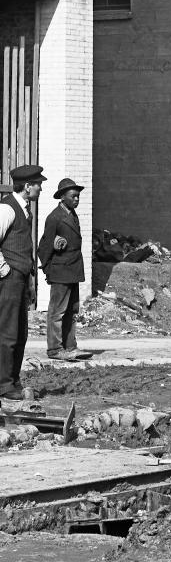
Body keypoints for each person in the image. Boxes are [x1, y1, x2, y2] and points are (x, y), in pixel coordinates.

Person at [0, 164, 45, 401]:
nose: (40, 188)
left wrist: (28, 281)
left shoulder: (24, 208)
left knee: (20, 333)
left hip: (20, 279)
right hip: (9, 280)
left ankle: (13, 381)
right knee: (7, 333)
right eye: (38, 184)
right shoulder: (7, 208)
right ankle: (4, 385)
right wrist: (5, 270)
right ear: (27, 186)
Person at [37, 178, 86, 361]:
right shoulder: (54, 217)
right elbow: (44, 248)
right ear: (63, 197)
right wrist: (49, 271)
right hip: (60, 272)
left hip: (73, 270)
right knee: (57, 312)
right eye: (73, 196)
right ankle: (55, 350)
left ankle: (70, 346)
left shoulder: (73, 215)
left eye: (78, 196)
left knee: (72, 311)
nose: (76, 199)